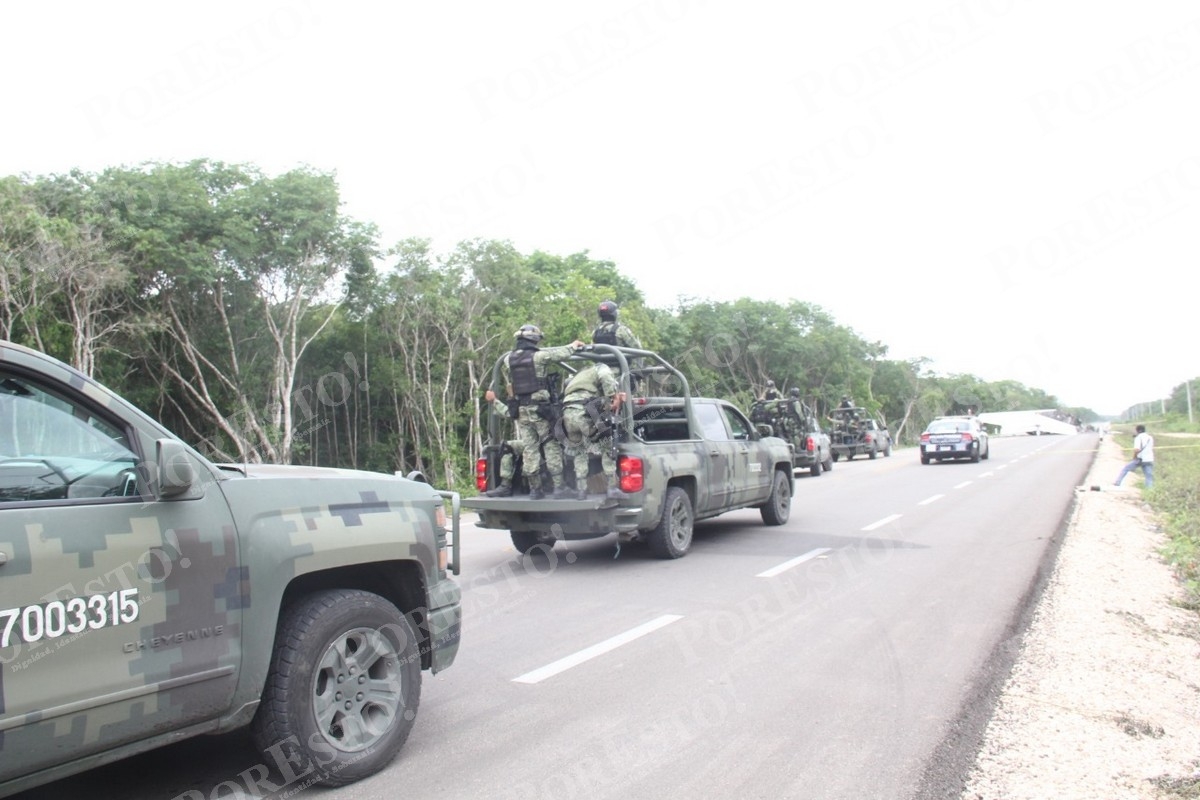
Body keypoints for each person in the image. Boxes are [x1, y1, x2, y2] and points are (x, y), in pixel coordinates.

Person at [486, 325, 584, 499]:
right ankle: (559, 488)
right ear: (534, 339)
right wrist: (573, 345)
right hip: (540, 411)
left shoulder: (508, 359)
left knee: (530, 450)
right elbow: (561, 354)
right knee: (550, 445)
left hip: (522, 411)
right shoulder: (539, 356)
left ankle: (535, 489)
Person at [559, 358, 626, 500]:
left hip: (567, 414)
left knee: (579, 451)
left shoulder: (579, 375)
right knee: (608, 443)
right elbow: (606, 377)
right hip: (584, 412)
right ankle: (612, 488)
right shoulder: (601, 367)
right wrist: (614, 397)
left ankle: (581, 491)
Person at [1114, 424, 1155, 488]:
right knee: (1148, 476)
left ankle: (1117, 482)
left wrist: (1134, 457)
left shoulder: (1138, 438)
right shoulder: (1150, 438)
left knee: (1125, 469)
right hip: (1149, 459)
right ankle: (1149, 489)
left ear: (1138, 430)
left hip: (1140, 459)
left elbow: (1137, 450)